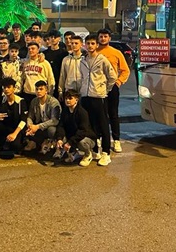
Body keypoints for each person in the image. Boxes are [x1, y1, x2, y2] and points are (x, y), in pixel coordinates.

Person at [80, 35, 117, 166]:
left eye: (92, 43)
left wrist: (105, 90)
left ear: (96, 45)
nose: (90, 46)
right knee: (90, 125)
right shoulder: (82, 61)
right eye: (88, 43)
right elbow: (82, 77)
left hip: (99, 96)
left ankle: (106, 152)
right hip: (85, 96)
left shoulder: (102, 60)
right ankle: (95, 150)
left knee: (103, 124)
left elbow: (112, 77)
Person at [97, 28, 131, 154]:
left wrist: (118, 82)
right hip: (98, 88)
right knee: (100, 114)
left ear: (109, 38)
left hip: (112, 88)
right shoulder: (94, 52)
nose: (103, 39)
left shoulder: (116, 53)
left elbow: (125, 70)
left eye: (105, 36)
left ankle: (116, 140)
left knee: (113, 114)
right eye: (101, 36)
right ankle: (100, 137)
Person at [0, 77, 27, 159]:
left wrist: (14, 134)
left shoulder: (21, 101)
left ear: (14, 88)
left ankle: (13, 145)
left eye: (9, 87)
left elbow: (23, 120)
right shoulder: (0, 100)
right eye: (4, 87)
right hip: (4, 128)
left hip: (15, 129)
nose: (6, 89)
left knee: (15, 146)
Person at [54, 88, 97, 166]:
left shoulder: (82, 112)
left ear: (76, 99)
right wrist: (59, 139)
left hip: (87, 138)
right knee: (60, 137)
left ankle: (88, 154)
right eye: (66, 98)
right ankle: (74, 153)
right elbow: (61, 125)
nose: (67, 100)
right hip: (73, 136)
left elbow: (83, 131)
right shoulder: (65, 111)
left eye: (70, 98)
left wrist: (69, 142)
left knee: (81, 142)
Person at [24, 80, 62, 153]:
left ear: (46, 90)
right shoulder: (34, 101)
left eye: (41, 89)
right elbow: (30, 116)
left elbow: (54, 121)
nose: (38, 91)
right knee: (25, 127)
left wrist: (37, 127)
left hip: (50, 126)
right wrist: (30, 126)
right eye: (37, 89)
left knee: (51, 130)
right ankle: (38, 144)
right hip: (40, 125)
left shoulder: (53, 102)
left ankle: (51, 143)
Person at [58, 35, 85, 99]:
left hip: (83, 91)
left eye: (76, 43)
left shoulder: (85, 59)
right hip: (69, 90)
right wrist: (60, 91)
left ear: (81, 44)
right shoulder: (66, 59)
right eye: (72, 43)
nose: (74, 45)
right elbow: (62, 75)